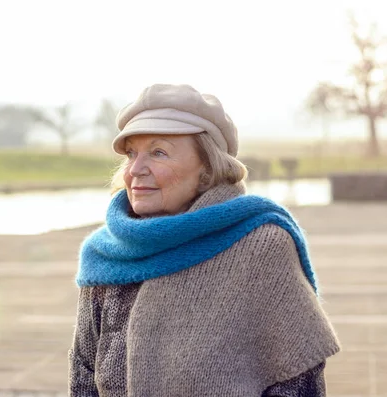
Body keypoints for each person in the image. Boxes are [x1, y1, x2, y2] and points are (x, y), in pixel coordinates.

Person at [69, 84, 341, 396]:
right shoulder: (107, 254)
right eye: (132, 154)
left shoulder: (261, 247)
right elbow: (84, 374)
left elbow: (298, 383)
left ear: (207, 168)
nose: (135, 170)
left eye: (158, 153)